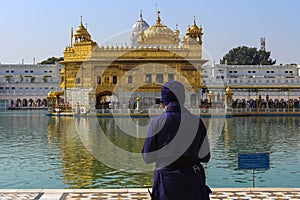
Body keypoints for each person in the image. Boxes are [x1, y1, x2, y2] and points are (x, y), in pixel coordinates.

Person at [142, 81, 211, 200]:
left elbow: (147, 157)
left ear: (164, 101)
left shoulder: (157, 123)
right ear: (183, 98)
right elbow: (205, 157)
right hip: (192, 182)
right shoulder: (196, 122)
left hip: (166, 183)